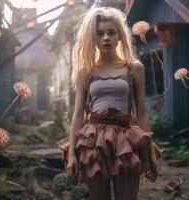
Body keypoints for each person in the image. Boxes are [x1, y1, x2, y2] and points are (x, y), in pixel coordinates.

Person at [60, 7, 162, 200]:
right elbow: (78, 114)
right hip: (93, 143)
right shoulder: (86, 70)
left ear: (120, 36)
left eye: (111, 32)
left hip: (125, 140)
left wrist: (149, 150)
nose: (105, 37)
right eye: (99, 34)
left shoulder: (134, 68)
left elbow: (141, 112)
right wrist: (72, 153)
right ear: (93, 38)